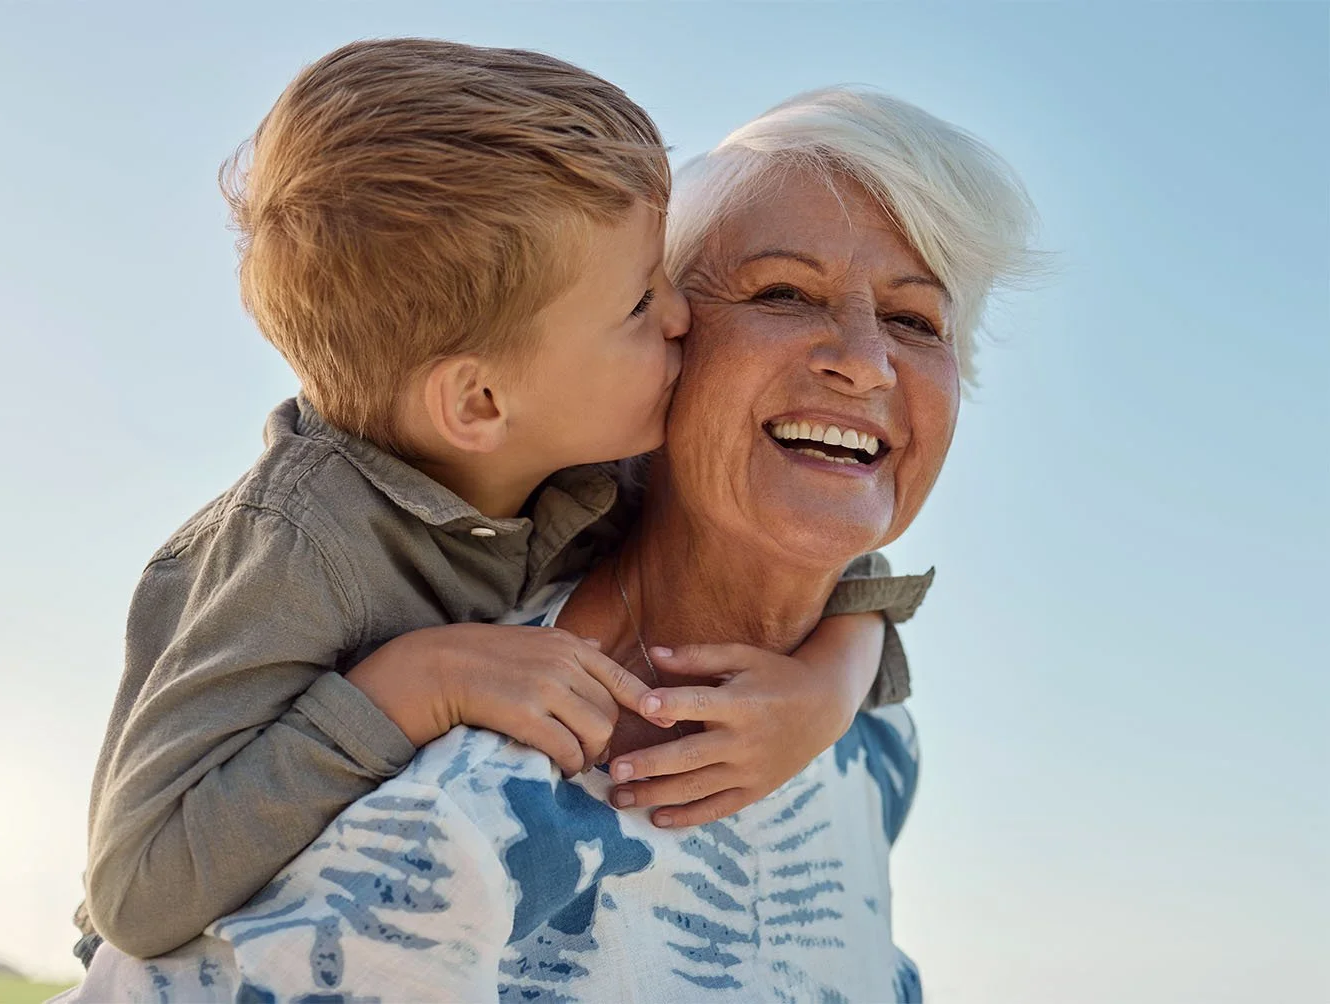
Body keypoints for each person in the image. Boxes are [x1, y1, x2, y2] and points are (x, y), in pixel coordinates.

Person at [60, 85, 1039, 1003]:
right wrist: (408, 685)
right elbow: (144, 909)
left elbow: (848, 567)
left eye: (917, 318)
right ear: (668, 356)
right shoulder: (427, 720)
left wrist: (831, 684)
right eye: (782, 292)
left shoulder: (875, 747)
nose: (865, 363)